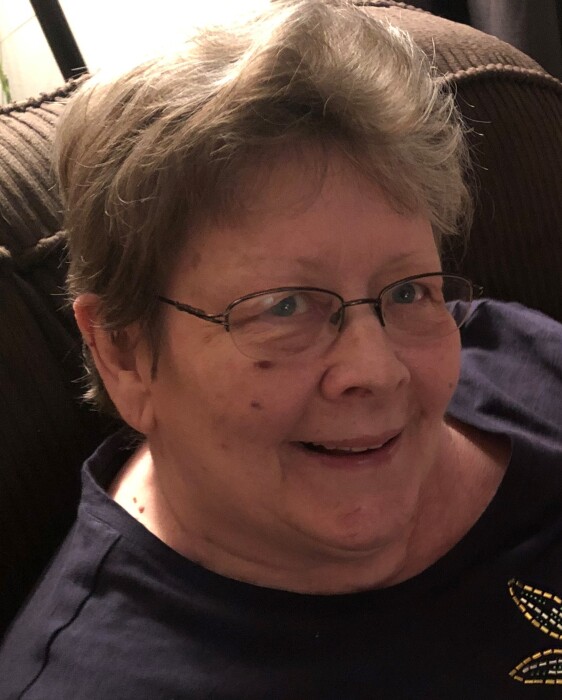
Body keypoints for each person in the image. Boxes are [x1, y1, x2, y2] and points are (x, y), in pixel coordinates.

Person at [1, 0, 561, 697]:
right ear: (124, 353)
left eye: (407, 291)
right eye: (285, 307)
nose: (376, 369)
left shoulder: (512, 354)